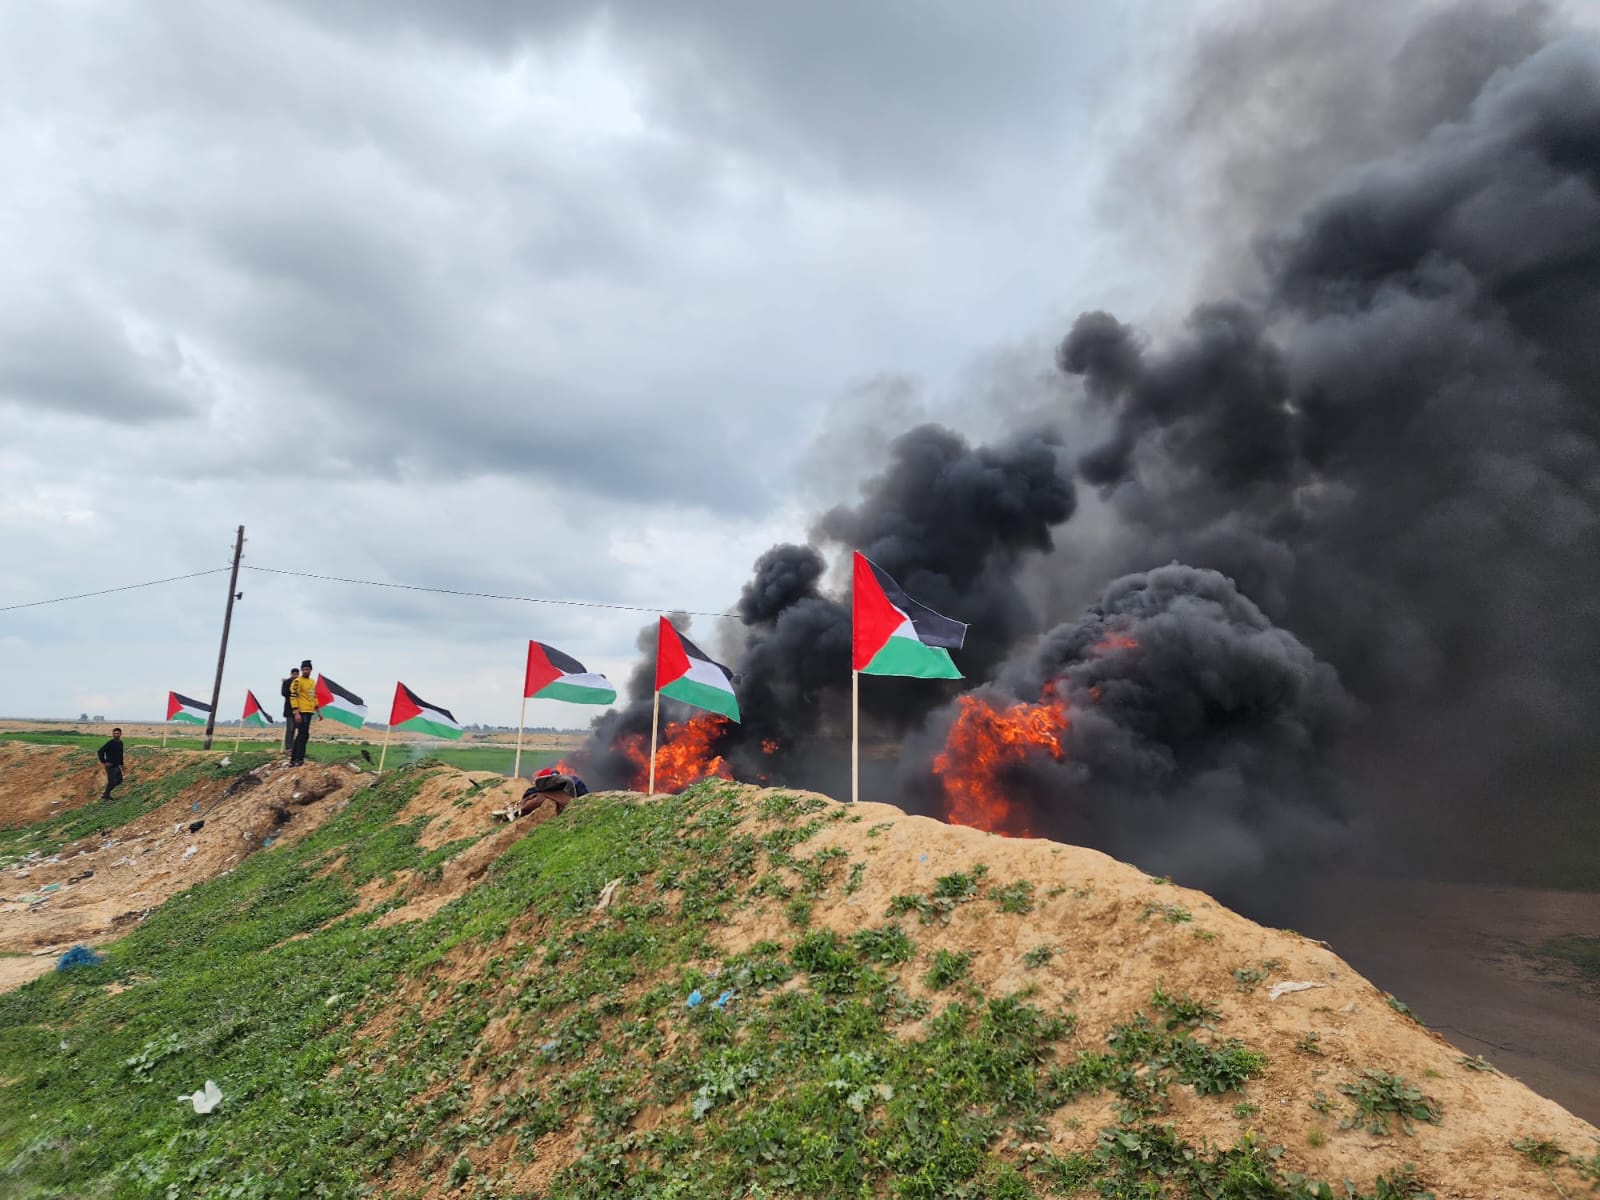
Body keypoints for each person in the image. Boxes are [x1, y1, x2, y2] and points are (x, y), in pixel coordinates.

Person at [288, 658, 319, 766]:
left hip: (309, 711)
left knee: (304, 735)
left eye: (307, 669)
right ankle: (297, 758)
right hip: (301, 712)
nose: (306, 671)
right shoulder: (297, 681)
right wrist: (296, 712)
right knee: (302, 735)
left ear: (311, 670)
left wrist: (318, 710)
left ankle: (297, 758)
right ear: (301, 670)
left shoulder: (312, 682)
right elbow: (293, 696)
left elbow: (314, 696)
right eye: (304, 669)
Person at [96, 727, 125, 801]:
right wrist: (104, 762)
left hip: (117, 766)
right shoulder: (110, 743)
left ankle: (106, 793)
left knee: (119, 780)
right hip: (110, 766)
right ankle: (106, 795)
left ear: (120, 734)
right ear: (113, 734)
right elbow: (100, 751)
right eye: (114, 733)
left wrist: (121, 764)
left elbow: (120, 754)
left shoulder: (120, 743)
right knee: (111, 782)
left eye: (117, 733)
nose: (116, 735)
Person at [280, 666, 299, 754]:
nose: (295, 676)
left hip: (298, 709)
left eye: (296, 674)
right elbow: (284, 693)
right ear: (291, 674)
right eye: (294, 674)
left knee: (295, 729)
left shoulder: (300, 682)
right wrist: (293, 692)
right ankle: (288, 747)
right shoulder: (286, 682)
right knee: (290, 729)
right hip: (289, 708)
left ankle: (293, 747)